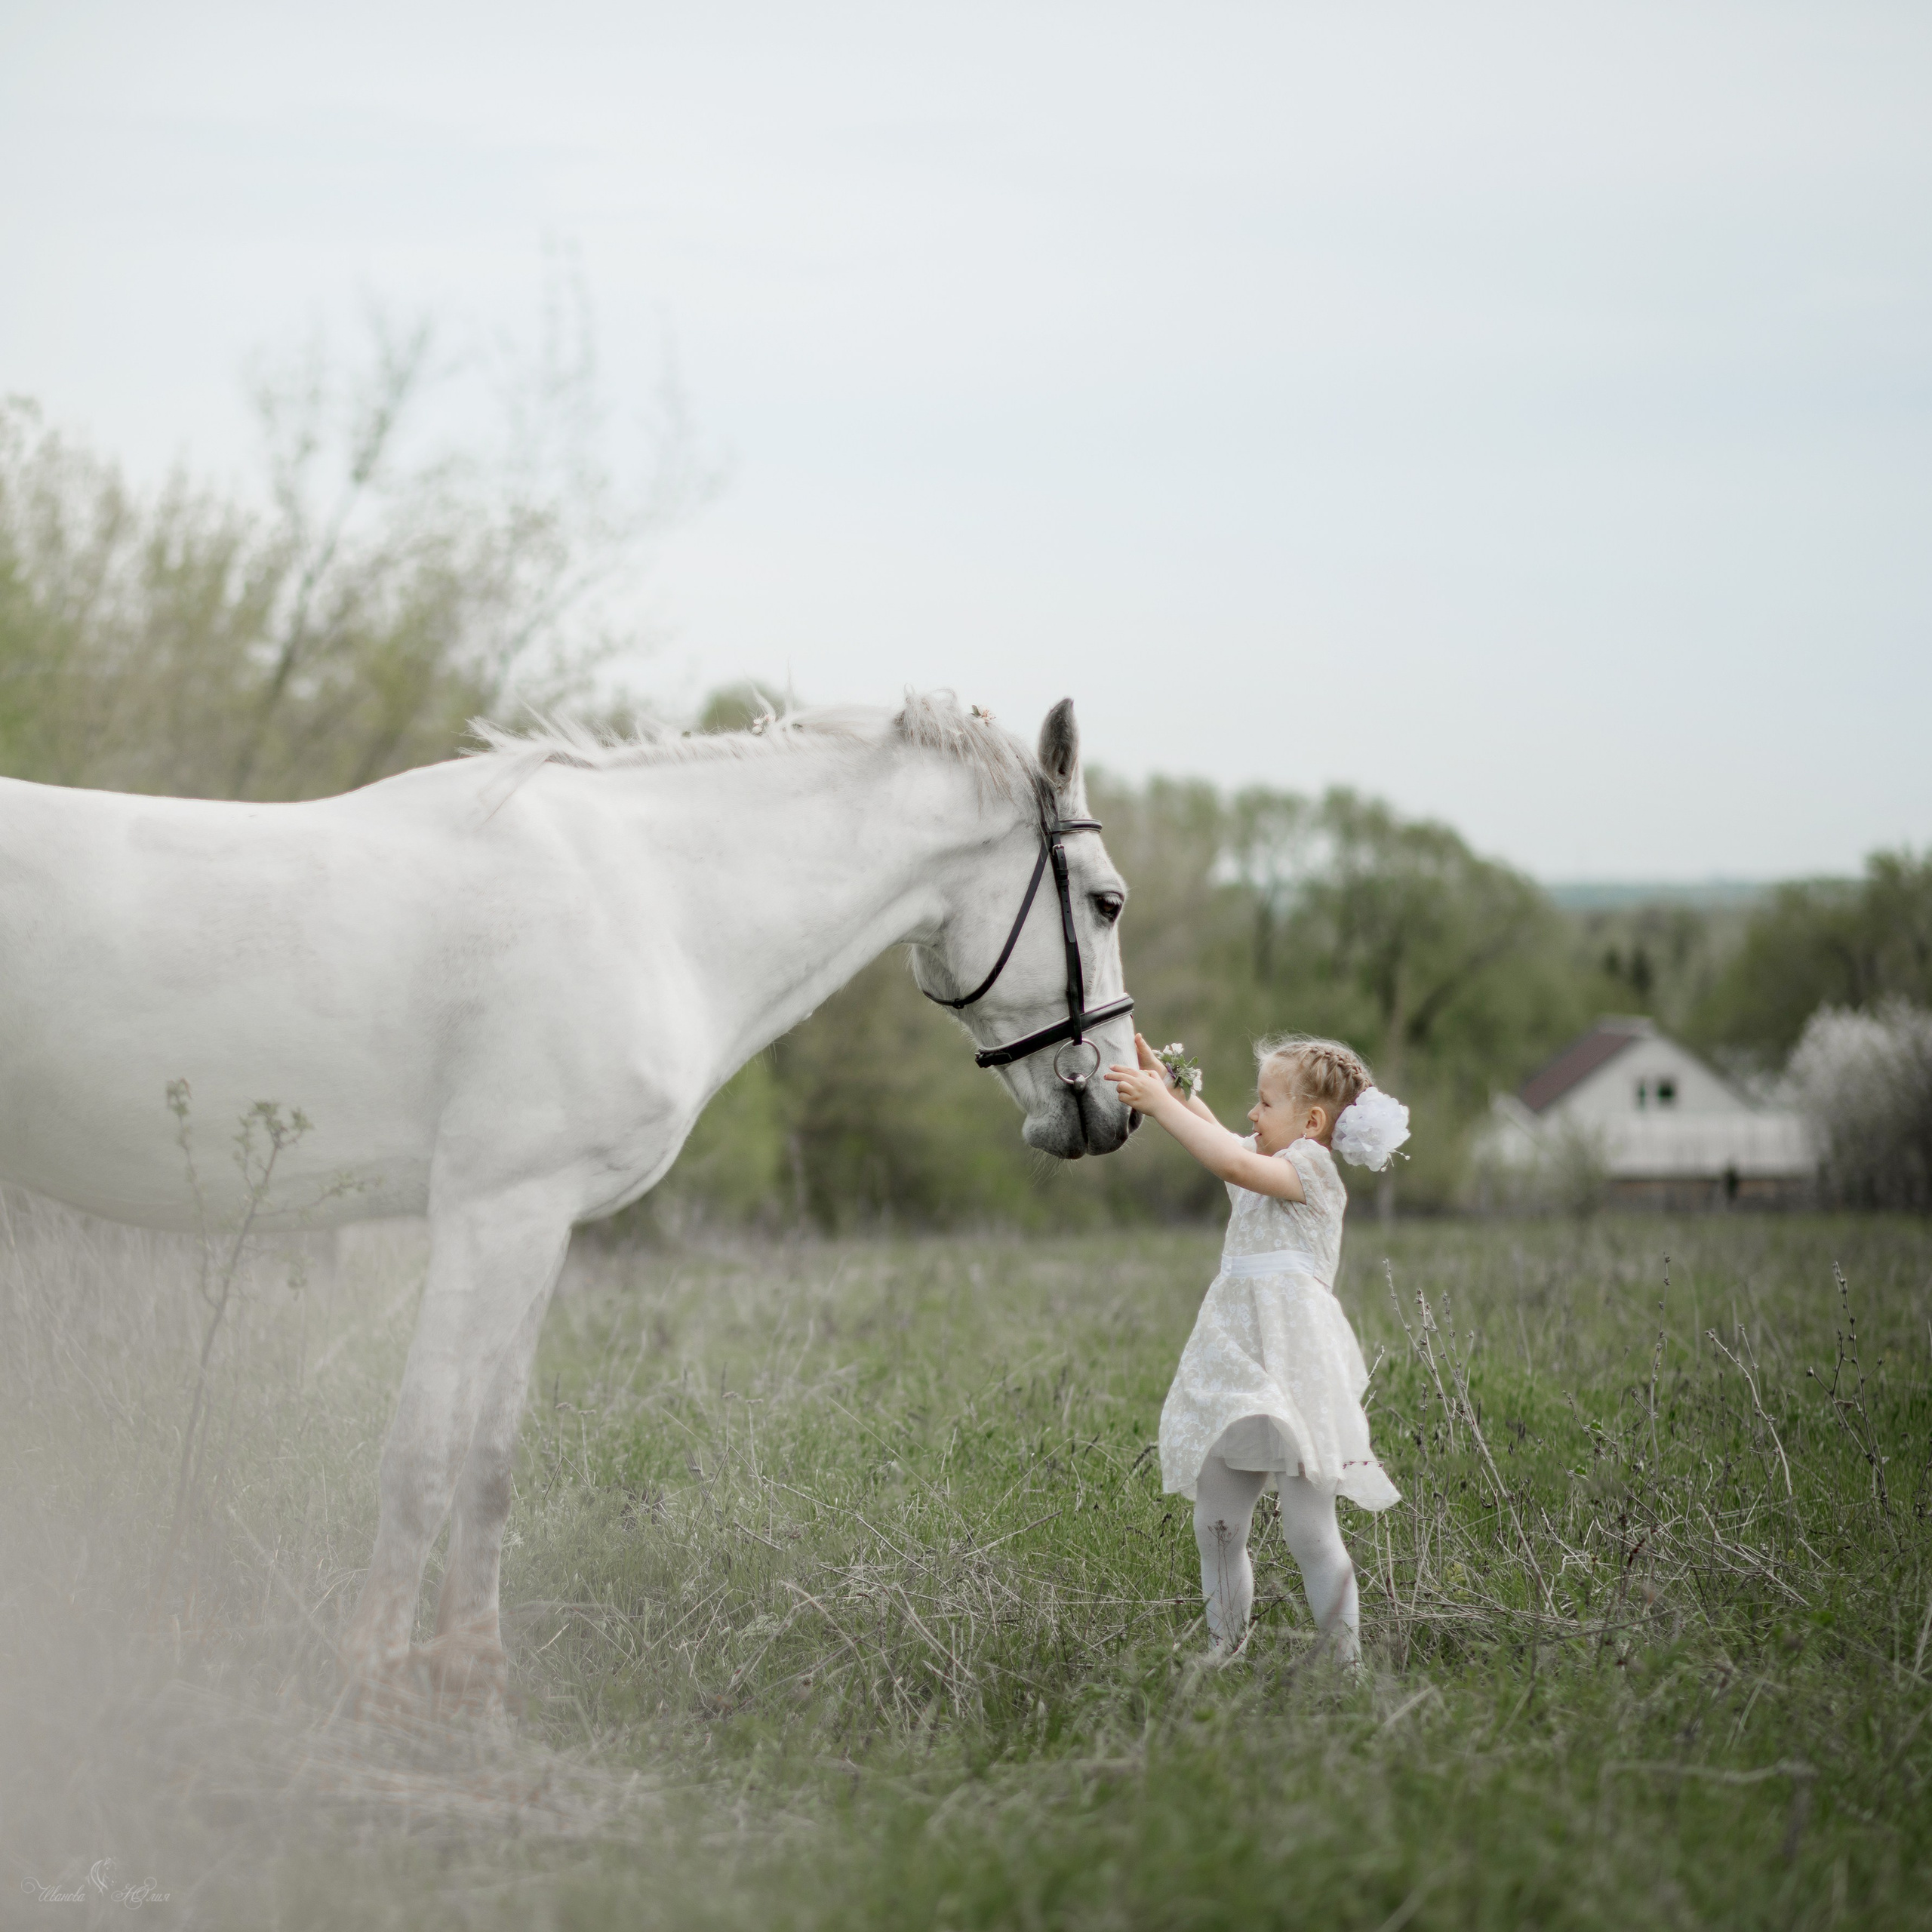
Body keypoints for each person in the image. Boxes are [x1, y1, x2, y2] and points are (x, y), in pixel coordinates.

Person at [1105, 1032, 1407, 1663]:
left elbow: (1234, 1162)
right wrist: (1183, 1095)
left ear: (1313, 1122)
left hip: (1295, 1371)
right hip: (1238, 1366)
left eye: (1265, 1102)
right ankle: (1225, 1647)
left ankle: (1342, 1664)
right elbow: (1231, 1146)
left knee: (1308, 1531)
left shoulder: (1314, 1173)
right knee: (1216, 1521)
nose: (1252, 1113)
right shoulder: (1271, 1164)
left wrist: (1160, 1105)